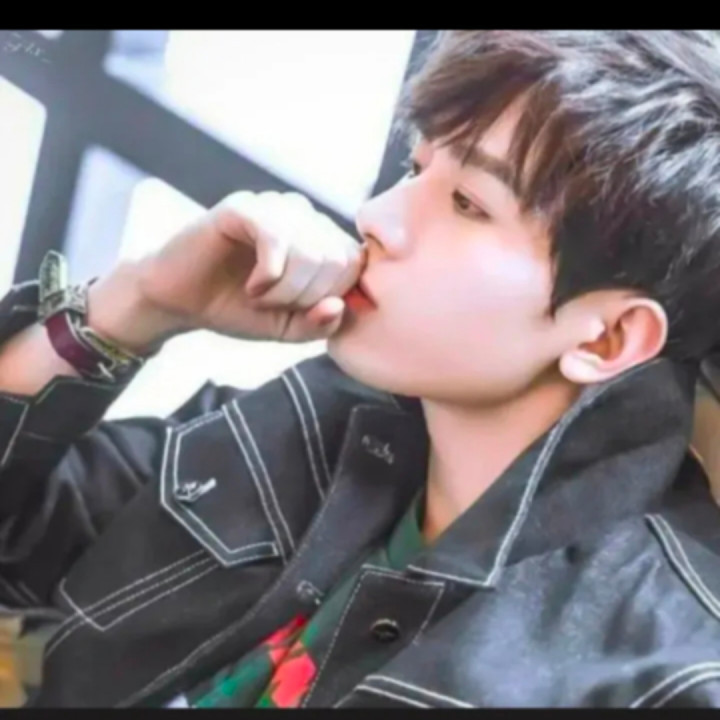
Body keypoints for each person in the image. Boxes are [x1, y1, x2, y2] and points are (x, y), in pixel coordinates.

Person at [2, 30, 720, 708]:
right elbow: (18, 554)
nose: (377, 215)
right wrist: (137, 304)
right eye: (417, 168)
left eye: (468, 203)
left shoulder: (661, 673)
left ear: (608, 338)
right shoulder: (298, 427)